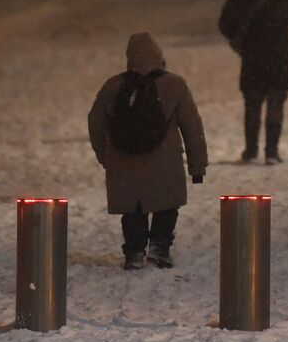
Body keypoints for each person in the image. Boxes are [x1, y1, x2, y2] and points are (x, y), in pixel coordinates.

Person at [87, 33, 208, 270]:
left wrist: (106, 157)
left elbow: (95, 124)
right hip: (164, 163)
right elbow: (192, 127)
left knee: (133, 209)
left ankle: (134, 251)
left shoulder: (113, 86)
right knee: (166, 204)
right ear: (159, 57)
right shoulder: (174, 85)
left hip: (124, 162)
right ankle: (160, 248)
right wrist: (197, 166)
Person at [218, 0, 288, 164]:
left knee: (252, 105)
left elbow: (224, 23)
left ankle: (251, 150)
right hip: (279, 59)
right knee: (275, 104)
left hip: (253, 59)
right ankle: (272, 152)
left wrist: (241, 38)